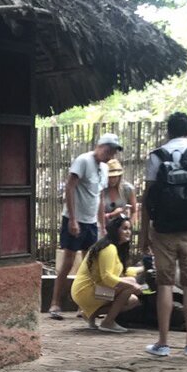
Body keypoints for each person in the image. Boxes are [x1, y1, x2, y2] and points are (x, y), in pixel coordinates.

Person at [139, 111, 187, 358]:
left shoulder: (155, 157)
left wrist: (143, 235)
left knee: (164, 284)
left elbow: (147, 200)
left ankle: (162, 343)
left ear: (168, 131)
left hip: (162, 230)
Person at [50, 133, 122, 318]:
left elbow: (98, 197)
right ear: (100, 146)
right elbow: (69, 187)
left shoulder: (104, 168)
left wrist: (102, 225)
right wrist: (73, 220)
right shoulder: (83, 161)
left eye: (113, 152)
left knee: (91, 265)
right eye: (109, 150)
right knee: (68, 262)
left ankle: (84, 306)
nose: (110, 155)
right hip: (74, 219)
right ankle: (55, 304)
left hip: (91, 222)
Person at [70, 215, 143, 333]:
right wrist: (132, 285)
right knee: (130, 288)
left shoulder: (113, 247)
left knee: (133, 297)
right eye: (124, 229)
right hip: (86, 291)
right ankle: (107, 322)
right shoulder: (108, 248)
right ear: (115, 230)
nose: (128, 232)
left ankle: (90, 315)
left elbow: (123, 272)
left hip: (95, 290)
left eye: (129, 229)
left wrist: (142, 268)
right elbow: (107, 278)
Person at [103, 158, 138, 225]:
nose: (112, 180)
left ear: (120, 176)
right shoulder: (101, 190)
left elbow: (134, 212)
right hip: (104, 228)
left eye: (115, 177)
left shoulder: (128, 189)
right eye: (110, 177)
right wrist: (111, 215)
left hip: (121, 229)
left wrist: (129, 225)